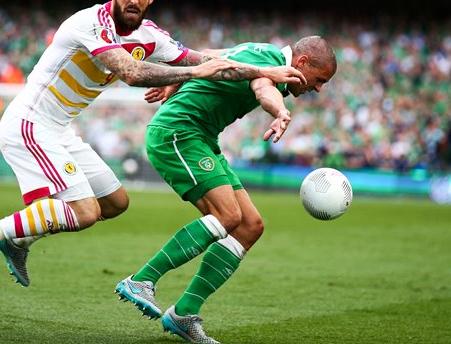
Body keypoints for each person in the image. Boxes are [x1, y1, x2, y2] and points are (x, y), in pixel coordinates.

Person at [0, 0, 305, 288]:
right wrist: (191, 73)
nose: (133, 0)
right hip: (30, 123)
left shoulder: (150, 36)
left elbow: (208, 60)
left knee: (115, 202)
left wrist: (262, 71)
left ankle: (19, 240)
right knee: (84, 211)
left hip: (59, 129)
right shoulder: (89, 23)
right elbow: (131, 72)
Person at [115, 36, 337, 344]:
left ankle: (184, 313)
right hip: (178, 132)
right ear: (302, 63)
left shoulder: (258, 51)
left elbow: (207, 56)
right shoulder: (270, 62)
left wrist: (174, 83)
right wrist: (280, 112)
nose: (318, 88)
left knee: (249, 226)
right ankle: (142, 280)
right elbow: (263, 88)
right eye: (319, 79)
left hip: (203, 138)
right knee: (227, 214)